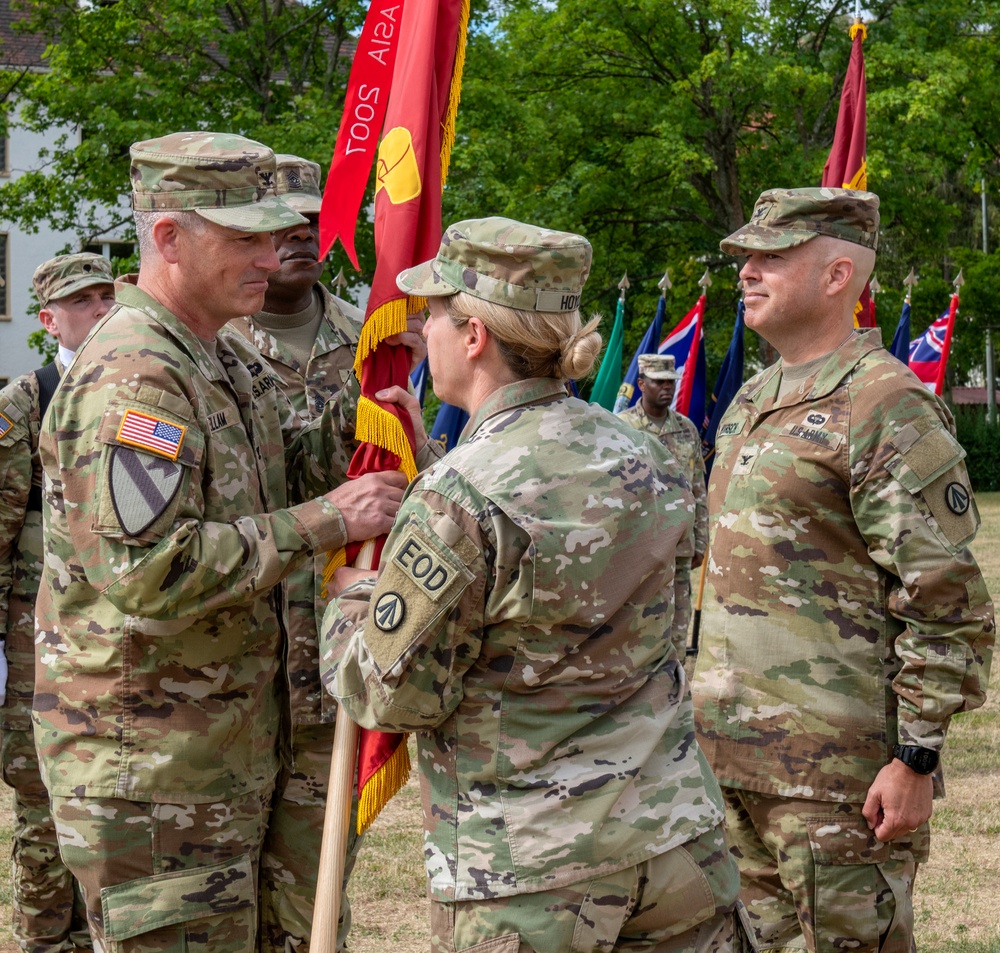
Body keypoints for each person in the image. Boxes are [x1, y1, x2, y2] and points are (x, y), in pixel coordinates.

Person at [32, 131, 427, 953]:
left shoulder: (213, 359)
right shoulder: (137, 376)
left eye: (275, 232)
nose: (270, 253)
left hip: (222, 753)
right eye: (243, 235)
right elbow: (148, 572)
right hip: (155, 775)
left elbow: (281, 473)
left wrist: (382, 424)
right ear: (169, 238)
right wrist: (327, 520)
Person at [320, 217, 751, 953]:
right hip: (676, 846)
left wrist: (350, 605)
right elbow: (669, 621)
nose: (423, 332)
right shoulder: (648, 454)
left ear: (476, 335)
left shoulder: (461, 493)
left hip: (530, 872)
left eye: (433, 315)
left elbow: (392, 694)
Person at [691, 187, 995, 953]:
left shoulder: (886, 403)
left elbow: (946, 599)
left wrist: (916, 757)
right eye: (745, 259)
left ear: (836, 276)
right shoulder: (753, 397)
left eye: (770, 257)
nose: (747, 272)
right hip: (731, 765)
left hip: (837, 783)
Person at [228, 152, 423, 952]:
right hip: (226, 664)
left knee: (315, 901)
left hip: (330, 657)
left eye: (315, 219)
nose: (303, 235)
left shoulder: (372, 337)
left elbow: (406, 490)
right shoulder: (212, 345)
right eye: (284, 222)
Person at [0, 252, 113, 953]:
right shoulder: (28, 398)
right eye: (83, 300)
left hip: (116, 630)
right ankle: (47, 940)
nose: (100, 309)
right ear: (49, 319)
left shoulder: (142, 384)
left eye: (107, 295)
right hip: (35, 634)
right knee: (41, 798)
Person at [618, 353, 707, 656]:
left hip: (678, 546)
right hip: (636, 548)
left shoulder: (687, 429)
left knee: (677, 625)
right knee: (634, 627)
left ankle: (676, 684)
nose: (666, 388)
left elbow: (698, 488)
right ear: (641, 383)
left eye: (670, 382)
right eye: (658, 382)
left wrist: (701, 541)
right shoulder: (621, 428)